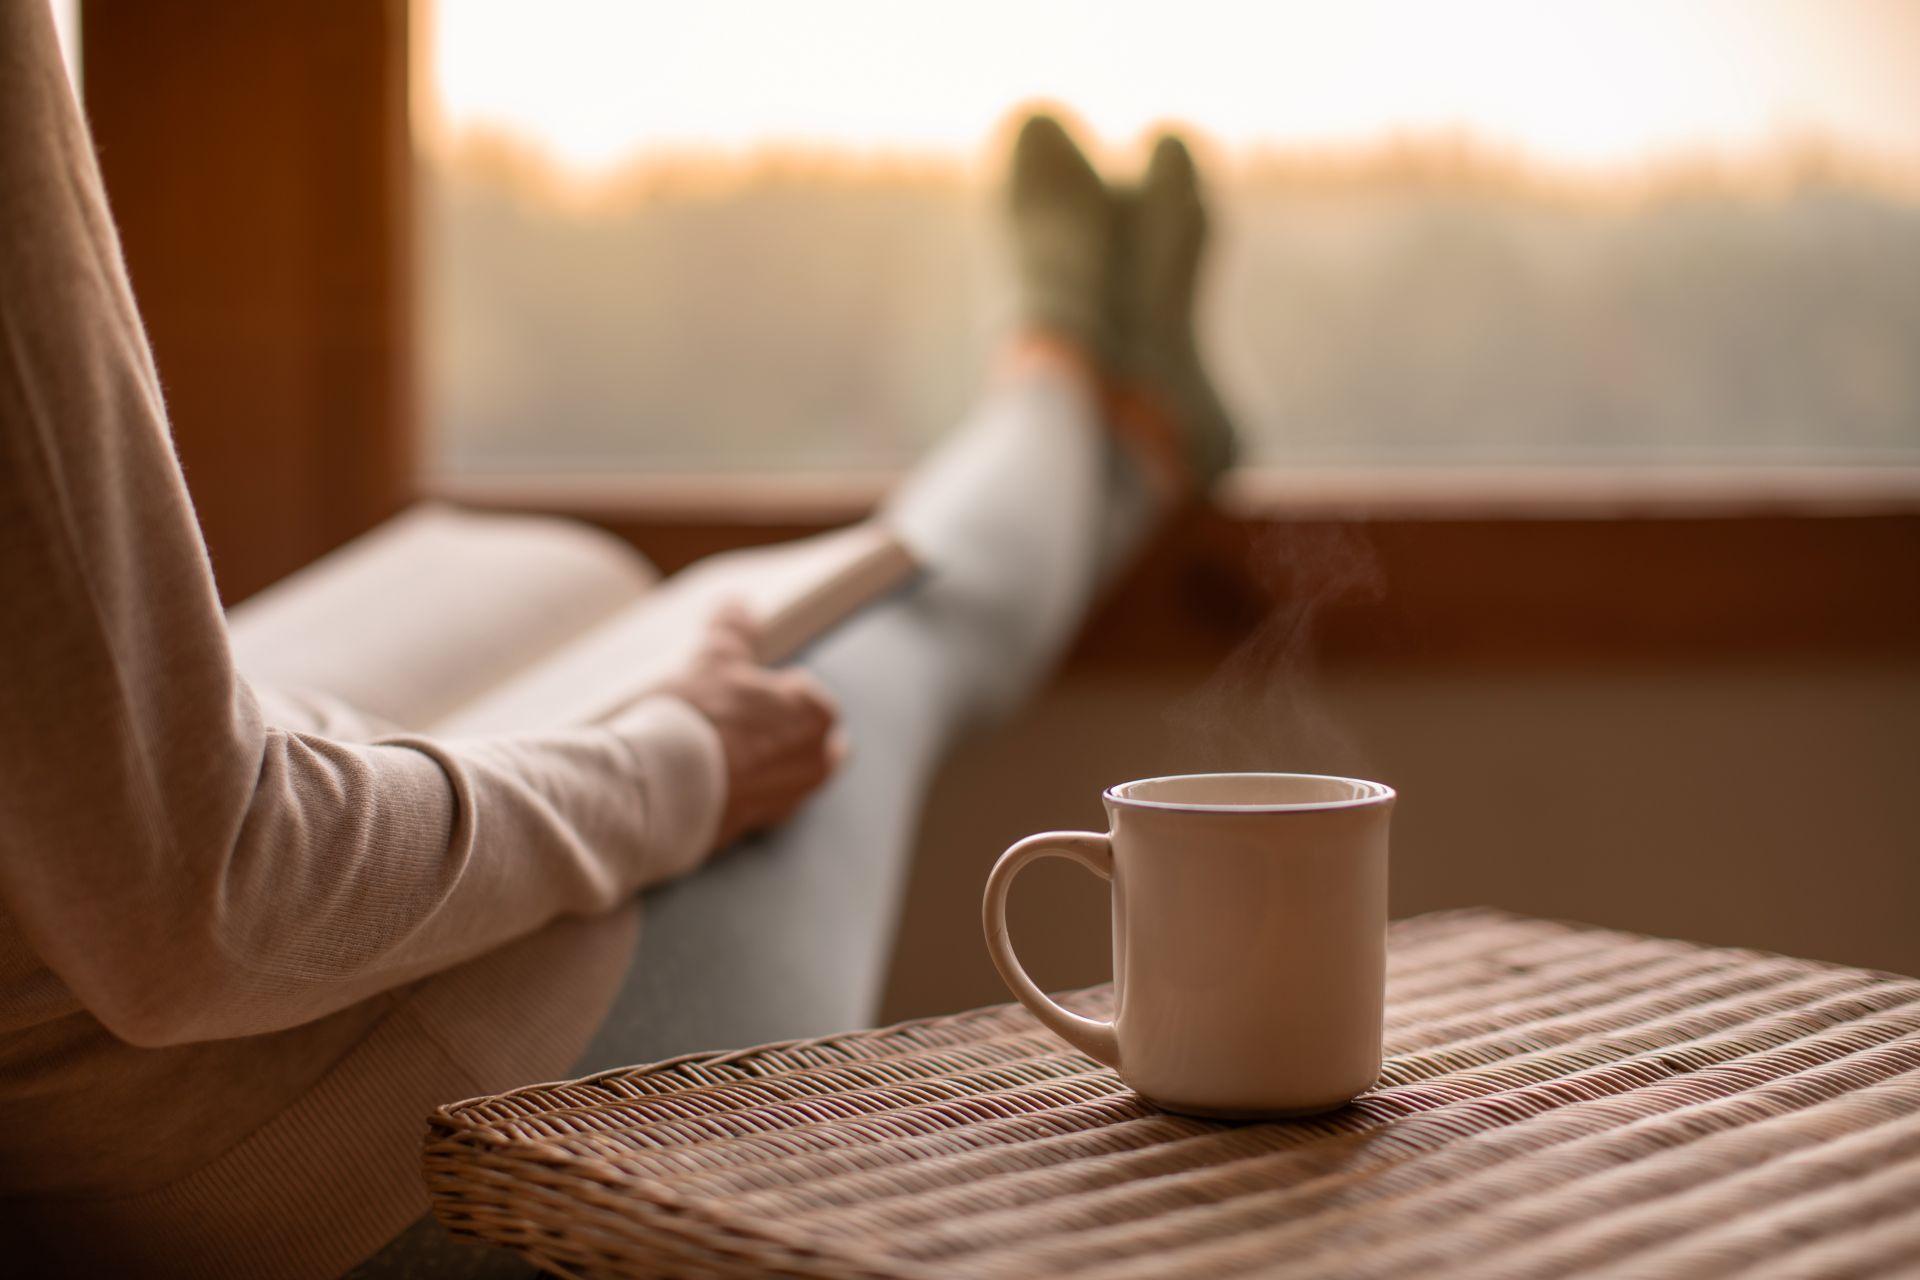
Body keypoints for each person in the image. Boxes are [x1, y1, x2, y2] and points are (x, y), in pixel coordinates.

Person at [0, 2, 1234, 1274]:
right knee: (852, 643)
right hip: (259, 1164)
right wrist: (675, 764)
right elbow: (193, 905)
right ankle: (1084, 400)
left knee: (573, 584)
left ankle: (1097, 404)